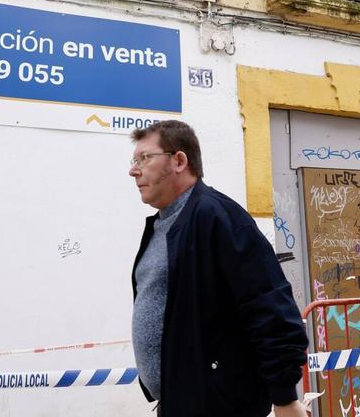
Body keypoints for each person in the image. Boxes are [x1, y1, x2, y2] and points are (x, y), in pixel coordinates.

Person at [129, 120, 309, 417]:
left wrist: (285, 397)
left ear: (179, 161)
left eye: (145, 158)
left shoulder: (218, 217)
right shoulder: (163, 225)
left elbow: (269, 307)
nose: (134, 170)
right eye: (134, 160)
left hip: (219, 404)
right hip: (181, 401)